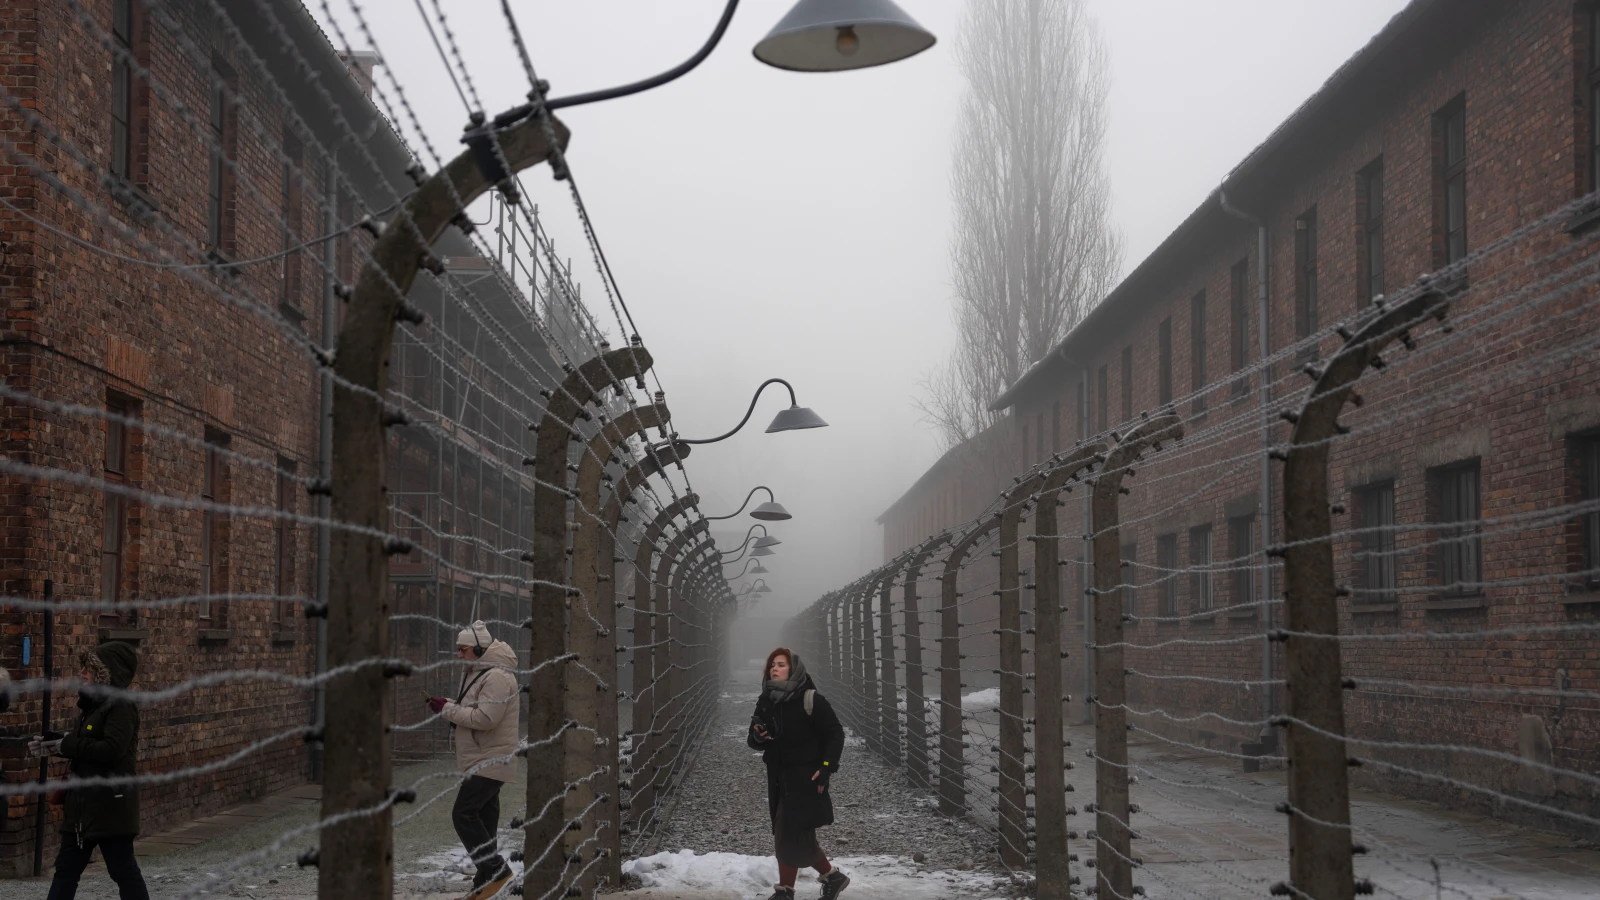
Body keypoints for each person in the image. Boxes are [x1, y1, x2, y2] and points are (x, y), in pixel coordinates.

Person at [37, 640, 151, 900]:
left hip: (110, 805)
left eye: (89, 668)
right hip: (81, 807)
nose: (82, 672)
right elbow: (83, 743)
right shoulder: (93, 705)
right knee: (65, 871)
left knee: (123, 871)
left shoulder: (120, 705)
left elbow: (112, 749)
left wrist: (67, 744)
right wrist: (55, 742)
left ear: (105, 673)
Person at [426, 621, 519, 900]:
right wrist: (448, 706)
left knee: (463, 814)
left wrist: (448, 711)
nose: (459, 654)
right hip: (482, 757)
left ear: (479, 648)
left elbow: (485, 718)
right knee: (484, 820)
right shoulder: (478, 672)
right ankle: (484, 885)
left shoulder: (497, 677)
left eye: (464, 649)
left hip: (490, 759)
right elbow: (472, 710)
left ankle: (496, 870)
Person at [748, 647, 849, 900]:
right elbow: (753, 741)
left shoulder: (811, 699)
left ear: (794, 670)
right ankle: (832, 877)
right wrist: (758, 736)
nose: (774, 668)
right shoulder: (766, 700)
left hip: (807, 776)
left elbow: (835, 735)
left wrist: (826, 769)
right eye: (772, 664)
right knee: (796, 832)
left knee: (788, 830)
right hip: (779, 777)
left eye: (781, 664)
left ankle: (785, 891)